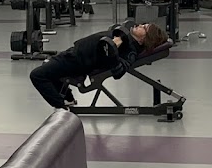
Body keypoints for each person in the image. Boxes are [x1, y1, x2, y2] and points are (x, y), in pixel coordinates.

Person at [30, 22, 168, 110]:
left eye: (144, 28)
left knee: (37, 75)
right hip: (75, 54)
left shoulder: (131, 52)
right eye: (143, 24)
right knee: (49, 66)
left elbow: (119, 72)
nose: (140, 25)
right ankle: (68, 99)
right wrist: (119, 38)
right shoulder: (126, 37)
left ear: (145, 39)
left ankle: (61, 107)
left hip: (78, 61)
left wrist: (112, 51)